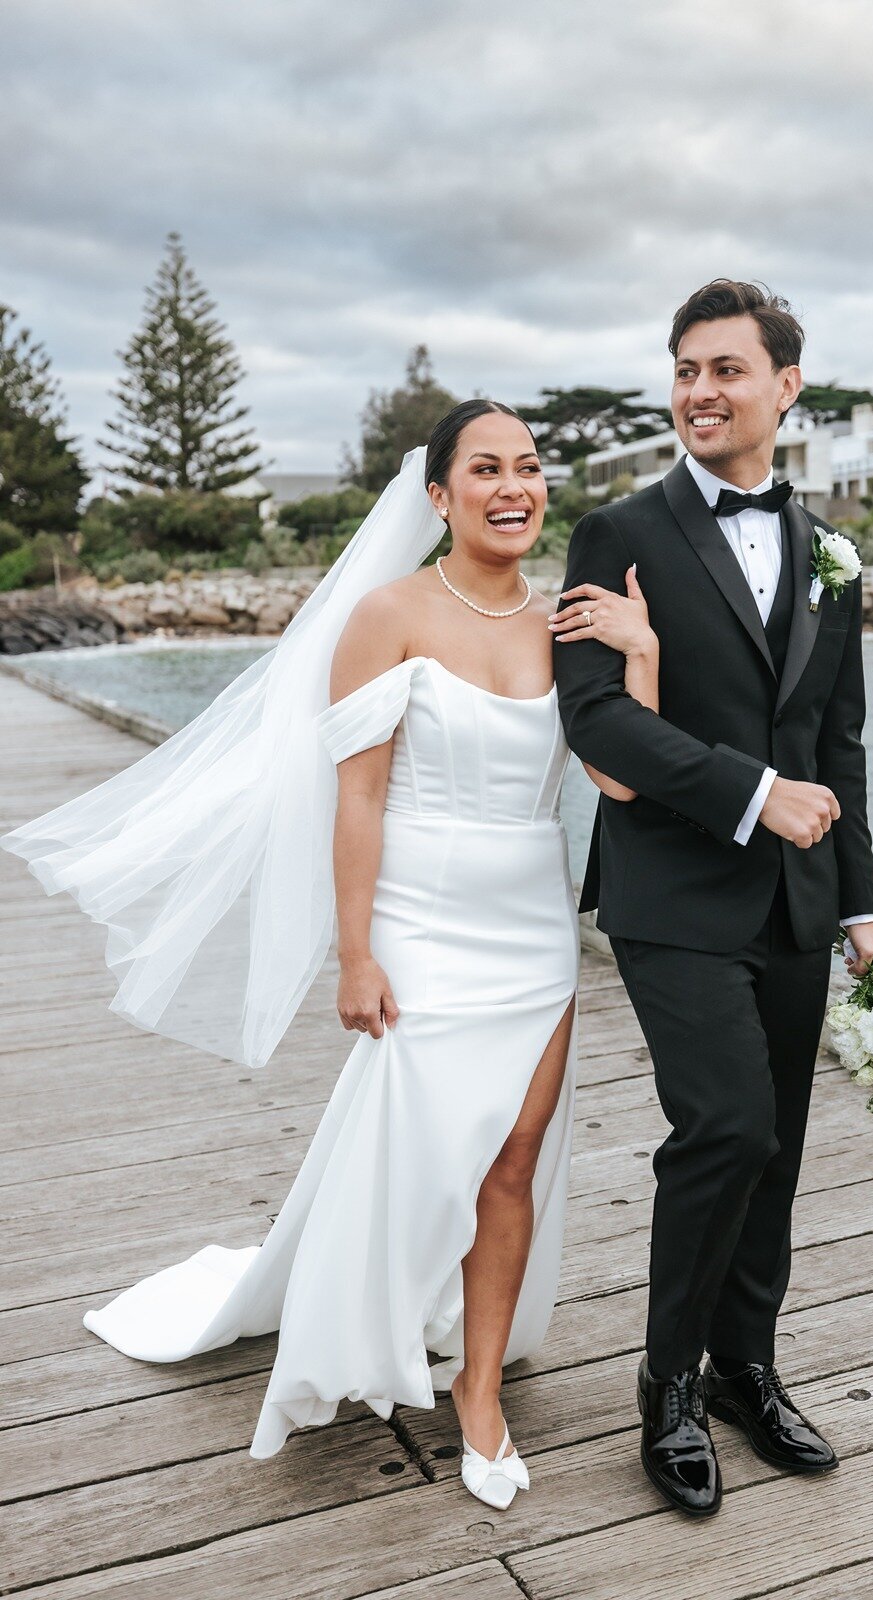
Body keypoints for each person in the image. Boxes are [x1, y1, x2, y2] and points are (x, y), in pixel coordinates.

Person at [0, 402, 644, 1512]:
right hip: (421, 916)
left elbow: (623, 785)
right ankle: (364, 1315)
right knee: (417, 1139)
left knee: (514, 1154)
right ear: (437, 496)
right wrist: (357, 954)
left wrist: (642, 655)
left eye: (530, 468)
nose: (514, 487)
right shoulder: (384, 615)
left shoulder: (570, 623)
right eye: (485, 468)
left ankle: (479, 1386)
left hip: (536, 923)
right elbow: (359, 797)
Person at [552, 279, 873, 1516]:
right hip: (671, 893)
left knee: (779, 1153)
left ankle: (749, 1367)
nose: (698, 391)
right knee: (729, 1128)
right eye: (684, 369)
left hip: (800, 906)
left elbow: (839, 741)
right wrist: (755, 790)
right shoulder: (617, 534)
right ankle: (670, 1385)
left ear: (785, 388)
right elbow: (594, 719)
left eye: (725, 370)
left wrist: (861, 903)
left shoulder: (831, 552)